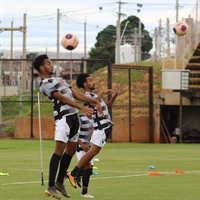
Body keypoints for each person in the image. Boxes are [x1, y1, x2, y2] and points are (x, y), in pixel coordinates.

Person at [33, 55, 103, 200]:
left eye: (51, 63)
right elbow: (62, 98)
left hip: (73, 119)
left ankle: (60, 182)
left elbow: (75, 94)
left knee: (70, 151)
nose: (51, 66)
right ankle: (51, 186)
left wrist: (95, 102)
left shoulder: (60, 80)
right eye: (48, 64)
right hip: (63, 119)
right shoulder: (45, 84)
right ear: (41, 68)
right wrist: (82, 109)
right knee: (59, 150)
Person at [67, 73, 120, 189]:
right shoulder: (87, 95)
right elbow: (94, 102)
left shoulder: (93, 95)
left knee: (93, 152)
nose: (93, 82)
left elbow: (106, 106)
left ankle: (74, 173)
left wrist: (115, 96)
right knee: (92, 152)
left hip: (104, 127)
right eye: (90, 80)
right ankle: (73, 173)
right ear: (85, 84)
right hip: (101, 128)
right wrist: (102, 93)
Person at [75, 114, 94, 198]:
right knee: (88, 167)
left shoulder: (93, 118)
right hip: (80, 146)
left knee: (89, 170)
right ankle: (84, 193)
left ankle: (69, 174)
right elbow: (75, 133)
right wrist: (82, 145)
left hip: (88, 146)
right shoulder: (80, 118)